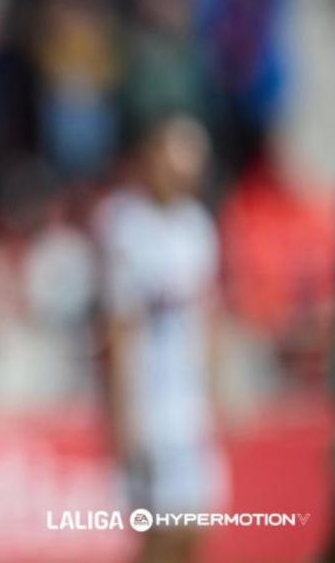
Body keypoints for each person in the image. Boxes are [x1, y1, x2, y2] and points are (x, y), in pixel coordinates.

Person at [97, 115, 228, 563]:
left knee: (195, 527)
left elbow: (207, 319)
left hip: (190, 406)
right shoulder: (126, 225)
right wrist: (124, 417)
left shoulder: (198, 227)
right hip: (150, 405)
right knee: (160, 532)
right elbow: (118, 327)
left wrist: (216, 397)